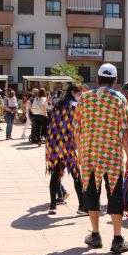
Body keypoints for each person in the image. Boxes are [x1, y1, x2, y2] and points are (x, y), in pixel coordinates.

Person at [74, 63, 128, 254]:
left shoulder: (84, 98)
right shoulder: (119, 99)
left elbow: (77, 130)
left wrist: (80, 154)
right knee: (114, 195)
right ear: (115, 81)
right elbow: (125, 132)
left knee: (91, 193)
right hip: (112, 156)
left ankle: (95, 234)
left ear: (97, 79)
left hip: (90, 155)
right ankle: (117, 239)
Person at [46, 84, 85, 215]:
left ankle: (52, 206)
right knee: (76, 175)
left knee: (55, 175)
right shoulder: (75, 106)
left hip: (55, 144)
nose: (80, 96)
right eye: (79, 94)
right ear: (74, 92)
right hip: (67, 146)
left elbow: (52, 124)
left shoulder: (58, 105)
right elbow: (78, 128)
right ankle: (82, 206)